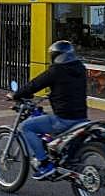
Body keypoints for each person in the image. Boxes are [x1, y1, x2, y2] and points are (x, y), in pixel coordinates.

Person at [8, 40, 88, 180]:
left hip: (63, 119)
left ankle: (45, 164)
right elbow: (68, 88)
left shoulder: (56, 71)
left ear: (54, 55)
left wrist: (16, 94)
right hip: (82, 118)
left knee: (26, 127)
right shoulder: (80, 68)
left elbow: (34, 84)